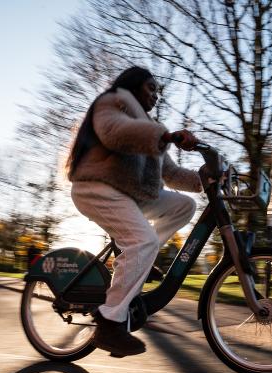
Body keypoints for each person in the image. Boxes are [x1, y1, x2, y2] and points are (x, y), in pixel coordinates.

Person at [66, 66, 202, 357]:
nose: (155, 95)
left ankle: (142, 256)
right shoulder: (113, 101)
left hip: (129, 194)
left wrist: (207, 179)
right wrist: (166, 136)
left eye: (157, 91)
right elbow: (114, 133)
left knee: (184, 205)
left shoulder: (150, 126)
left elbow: (171, 174)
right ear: (133, 85)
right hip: (96, 187)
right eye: (150, 88)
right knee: (143, 241)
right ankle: (109, 323)